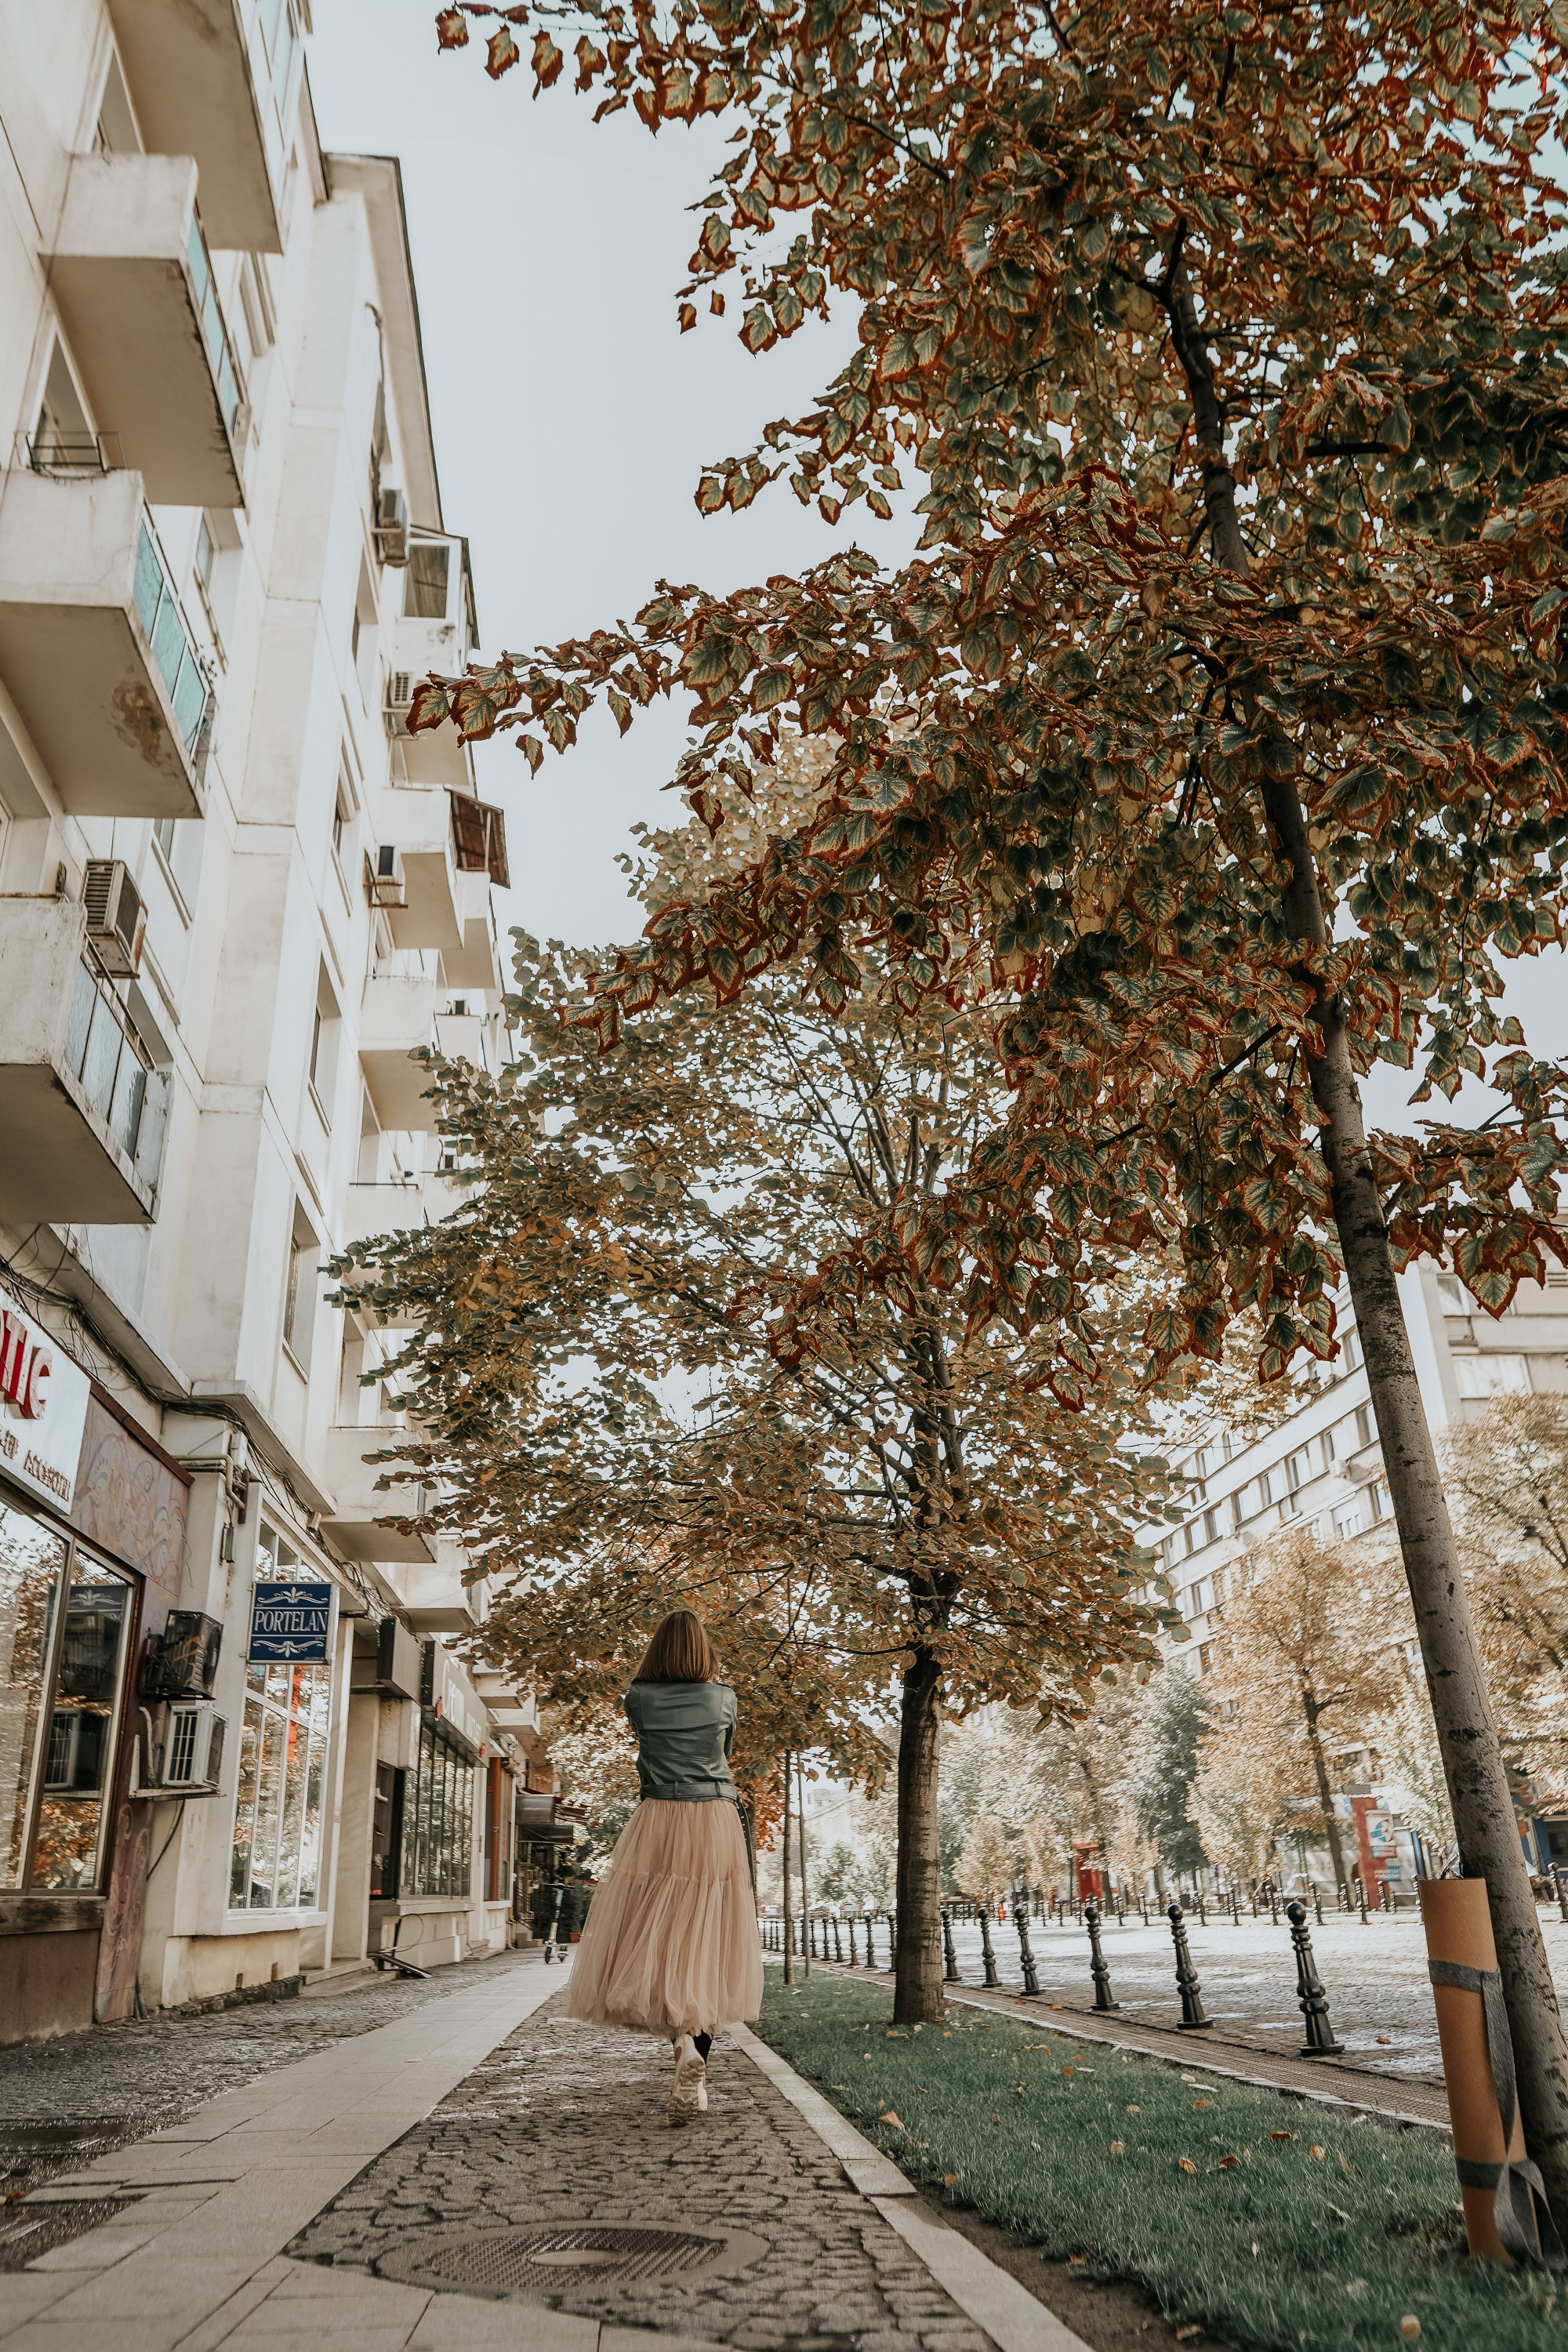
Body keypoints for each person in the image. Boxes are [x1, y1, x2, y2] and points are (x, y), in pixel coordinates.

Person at [564, 1608, 763, 2125]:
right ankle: (697, 2067)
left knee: (661, 1936)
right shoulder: (724, 1698)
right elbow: (723, 1751)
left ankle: (684, 2052)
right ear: (703, 1650)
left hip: (659, 1819)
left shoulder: (638, 1699)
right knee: (708, 1945)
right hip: (715, 1819)